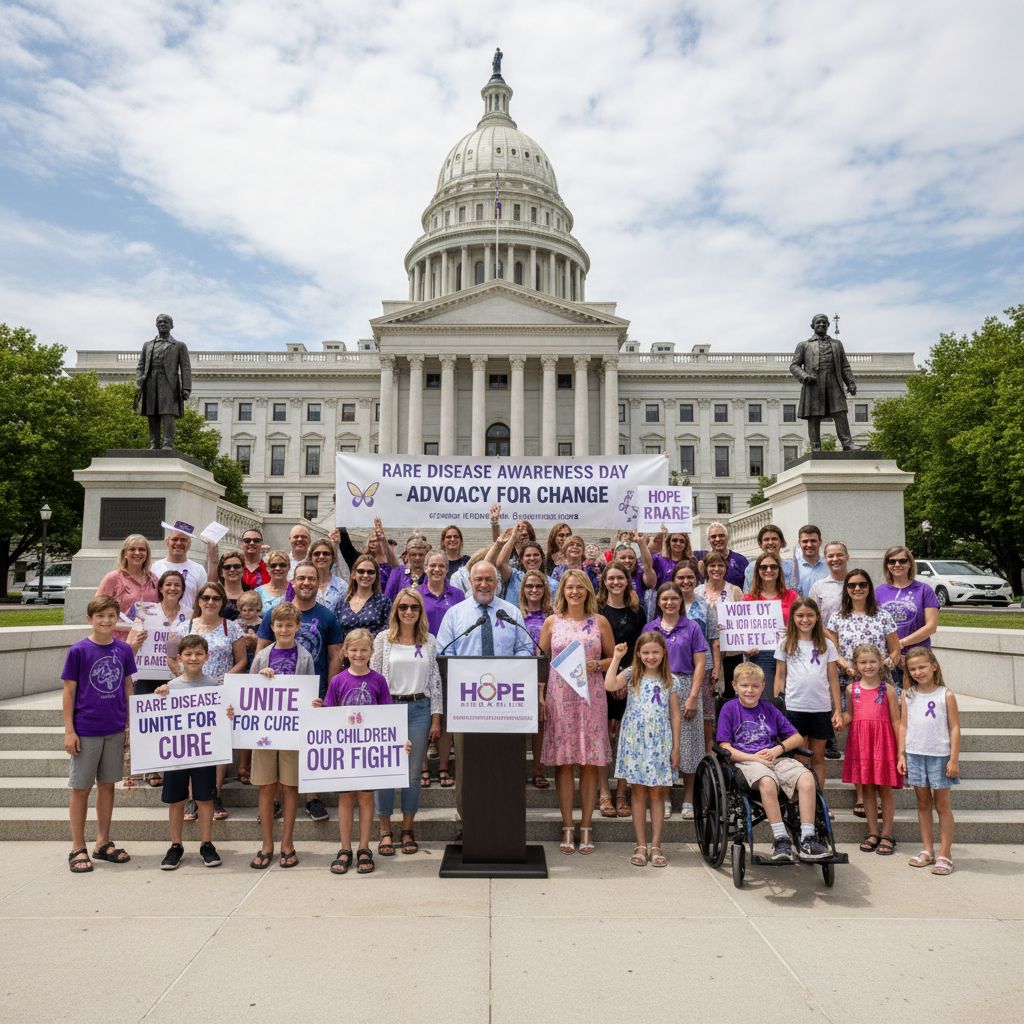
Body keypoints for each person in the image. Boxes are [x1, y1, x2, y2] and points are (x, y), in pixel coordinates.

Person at [436, 560, 535, 822]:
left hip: (506, 703)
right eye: (478, 579)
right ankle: (468, 821)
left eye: (489, 579)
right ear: (470, 582)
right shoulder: (456, 614)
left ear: (497, 583)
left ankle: (506, 820)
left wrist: (509, 671)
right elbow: (444, 652)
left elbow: (525, 648)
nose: (483, 584)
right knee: (469, 768)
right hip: (467, 704)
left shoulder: (510, 612)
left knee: (504, 764)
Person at [716, 662, 831, 863]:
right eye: (744, 685)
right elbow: (725, 748)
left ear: (762, 686)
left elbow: (796, 738)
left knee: (806, 777)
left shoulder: (770, 709)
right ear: (734, 686)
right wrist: (753, 758)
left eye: (755, 686)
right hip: (746, 761)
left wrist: (778, 749)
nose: (749, 690)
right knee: (767, 781)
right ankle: (780, 838)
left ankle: (807, 837)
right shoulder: (729, 709)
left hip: (776, 758)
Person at [256, 561, 344, 822]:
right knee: (276, 745)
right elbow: (261, 651)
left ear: (319, 583)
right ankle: (273, 802)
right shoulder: (275, 613)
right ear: (293, 582)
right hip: (273, 703)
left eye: (311, 579)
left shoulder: (327, 616)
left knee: (307, 748)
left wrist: (329, 694)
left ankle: (313, 798)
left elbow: (335, 657)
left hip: (310, 693)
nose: (306, 582)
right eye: (301, 578)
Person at [316, 629, 408, 875]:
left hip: (368, 753)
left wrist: (400, 741)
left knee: (367, 799)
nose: (358, 654)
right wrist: (317, 709)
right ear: (345, 652)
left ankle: (365, 847)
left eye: (363, 650)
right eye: (353, 650)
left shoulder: (378, 681)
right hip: (345, 752)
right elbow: (328, 714)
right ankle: (345, 848)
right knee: (346, 799)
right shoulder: (337, 680)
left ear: (371, 652)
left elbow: (388, 717)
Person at [539, 570, 615, 856]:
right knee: (563, 763)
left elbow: (612, 657)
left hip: (591, 696)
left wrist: (599, 664)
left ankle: (586, 826)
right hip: (560, 697)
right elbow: (540, 660)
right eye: (570, 587)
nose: (575, 592)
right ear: (563, 591)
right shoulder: (551, 622)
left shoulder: (600, 622)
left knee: (589, 762)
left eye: (580, 587)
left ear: (588, 591)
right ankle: (567, 825)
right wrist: (539, 694)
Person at [62, 594, 137, 874]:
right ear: (90, 619)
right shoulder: (79, 651)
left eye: (111, 616)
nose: (106, 621)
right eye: (100, 616)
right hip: (87, 729)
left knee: (108, 785)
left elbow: (127, 685)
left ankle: (102, 841)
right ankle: (78, 845)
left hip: (114, 728)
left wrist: (131, 724)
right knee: (81, 788)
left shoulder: (123, 650)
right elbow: (68, 692)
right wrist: (70, 731)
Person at [371, 589, 443, 857]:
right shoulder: (383, 640)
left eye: (414, 607)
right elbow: (375, 679)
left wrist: (436, 717)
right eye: (403, 607)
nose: (408, 612)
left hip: (419, 708)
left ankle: (408, 828)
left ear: (420, 611)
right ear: (396, 611)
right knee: (386, 771)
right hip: (389, 707)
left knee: (413, 774)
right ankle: (385, 830)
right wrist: (376, 714)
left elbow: (435, 680)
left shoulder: (429, 641)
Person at [244, 601, 315, 869]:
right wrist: (262, 678)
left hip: (292, 732)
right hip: (264, 732)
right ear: (272, 627)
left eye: (289, 625)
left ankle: (287, 842)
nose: (284, 629)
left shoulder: (305, 656)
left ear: (298, 627)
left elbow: (308, 692)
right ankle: (266, 844)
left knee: (290, 787)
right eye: (279, 625)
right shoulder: (263, 656)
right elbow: (249, 692)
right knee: (266, 786)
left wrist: (314, 704)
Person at [170, 581, 247, 821]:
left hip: (220, 692)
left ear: (223, 601)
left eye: (216, 598)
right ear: (199, 600)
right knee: (194, 743)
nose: (210, 602)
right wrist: (184, 680)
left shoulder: (232, 628)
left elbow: (242, 661)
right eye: (206, 598)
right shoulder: (183, 627)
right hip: (189, 694)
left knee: (218, 744)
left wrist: (221, 681)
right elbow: (171, 658)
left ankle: (214, 793)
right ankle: (193, 797)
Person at [605, 634, 681, 867]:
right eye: (646, 652)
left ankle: (656, 845)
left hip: (659, 741)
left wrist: (676, 747)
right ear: (638, 653)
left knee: (657, 793)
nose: (650, 657)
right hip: (635, 741)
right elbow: (609, 685)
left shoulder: (671, 680)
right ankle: (640, 844)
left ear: (663, 653)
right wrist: (617, 658)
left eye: (655, 652)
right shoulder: (632, 675)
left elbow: (675, 715)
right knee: (637, 792)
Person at [154, 635, 222, 869]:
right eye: (189, 654)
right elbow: (157, 719)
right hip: (176, 753)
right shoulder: (170, 688)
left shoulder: (214, 686)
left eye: (199, 654)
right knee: (176, 800)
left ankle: (206, 844)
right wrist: (159, 698)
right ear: (180, 657)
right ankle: (175, 845)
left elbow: (221, 718)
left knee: (205, 798)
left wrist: (228, 714)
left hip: (204, 752)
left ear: (207, 657)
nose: (194, 658)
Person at [641, 582, 708, 818]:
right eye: (665, 599)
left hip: (686, 685)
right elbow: (642, 661)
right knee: (662, 742)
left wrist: (692, 696)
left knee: (688, 743)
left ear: (681, 601)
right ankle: (665, 796)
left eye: (674, 599)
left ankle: (688, 798)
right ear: (658, 602)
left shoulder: (692, 628)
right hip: (658, 686)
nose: (669, 603)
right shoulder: (651, 628)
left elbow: (701, 664)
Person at [125, 568, 191, 787]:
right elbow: (129, 646)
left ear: (182, 590)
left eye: (177, 585)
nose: (173, 588)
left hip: (175, 675)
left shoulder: (190, 614)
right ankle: (151, 768)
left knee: (173, 723)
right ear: (161, 588)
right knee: (149, 722)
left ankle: (171, 765)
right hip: (146, 673)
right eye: (168, 584)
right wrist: (136, 642)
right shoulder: (145, 611)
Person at [898, 647, 961, 876]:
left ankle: (945, 853)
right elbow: (903, 725)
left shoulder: (946, 695)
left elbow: (954, 728)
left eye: (922, 667)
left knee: (942, 805)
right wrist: (901, 754)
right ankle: (927, 849)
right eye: (912, 668)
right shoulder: (908, 694)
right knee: (922, 803)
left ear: (934, 666)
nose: (918, 672)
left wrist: (953, 758)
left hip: (940, 755)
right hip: (915, 754)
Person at [773, 597, 843, 790]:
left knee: (818, 756)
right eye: (800, 615)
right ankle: (800, 801)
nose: (805, 620)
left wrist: (837, 709)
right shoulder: (785, 644)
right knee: (800, 757)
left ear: (817, 617)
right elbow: (780, 675)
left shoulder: (827, 645)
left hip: (820, 707)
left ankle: (820, 801)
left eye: (810, 615)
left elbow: (833, 678)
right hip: (795, 707)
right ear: (793, 618)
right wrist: (778, 705)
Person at [842, 643, 903, 856]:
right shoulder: (852, 689)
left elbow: (896, 721)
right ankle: (873, 831)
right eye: (863, 662)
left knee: (884, 789)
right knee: (867, 788)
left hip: (883, 743)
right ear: (856, 666)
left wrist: (900, 750)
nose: (868, 666)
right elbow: (850, 715)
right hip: (860, 743)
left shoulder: (889, 690)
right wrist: (841, 719)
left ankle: (887, 833)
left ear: (880, 662)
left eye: (872, 662)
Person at [595, 560, 646, 817]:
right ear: (604, 581)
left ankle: (622, 792)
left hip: (630, 680)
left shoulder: (637, 610)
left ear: (627, 580)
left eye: (620, 578)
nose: (615, 582)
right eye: (610, 578)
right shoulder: (597, 609)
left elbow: (641, 648)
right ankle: (604, 793)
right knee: (604, 739)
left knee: (625, 740)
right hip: (601, 681)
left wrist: (625, 680)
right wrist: (611, 679)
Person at [790, 312, 858, 451]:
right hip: (814, 383)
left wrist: (850, 382)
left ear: (828, 325)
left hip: (834, 382)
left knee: (840, 412)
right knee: (814, 415)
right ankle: (815, 446)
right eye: (818, 322)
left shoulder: (837, 344)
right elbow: (794, 365)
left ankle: (847, 443)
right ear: (812, 326)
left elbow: (845, 365)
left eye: (824, 322)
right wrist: (804, 376)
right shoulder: (804, 345)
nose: (821, 324)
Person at [673, 558, 720, 753]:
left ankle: (706, 753)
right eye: (681, 577)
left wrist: (717, 667)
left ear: (696, 579)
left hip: (704, 666)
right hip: (675, 667)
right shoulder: (668, 602)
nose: (686, 581)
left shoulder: (705, 606)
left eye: (690, 577)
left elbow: (714, 638)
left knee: (705, 713)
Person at [875, 546, 939, 674]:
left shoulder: (924, 590)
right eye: (892, 561)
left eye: (902, 561)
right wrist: (894, 651)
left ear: (910, 563)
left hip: (918, 658)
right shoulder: (878, 592)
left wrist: (900, 644)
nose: (897, 564)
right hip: (888, 658)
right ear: (886, 565)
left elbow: (931, 626)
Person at [741, 552, 800, 692]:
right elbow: (742, 631)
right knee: (766, 698)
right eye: (764, 567)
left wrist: (793, 631)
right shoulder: (747, 599)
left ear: (779, 570)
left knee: (788, 698)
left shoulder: (792, 596)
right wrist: (744, 646)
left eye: (773, 567)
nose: (769, 570)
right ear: (757, 571)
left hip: (789, 653)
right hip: (761, 655)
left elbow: (804, 622)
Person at [518, 567, 553, 789]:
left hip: (546, 674)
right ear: (523, 589)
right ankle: (517, 768)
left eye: (538, 586)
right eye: (529, 586)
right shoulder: (514, 614)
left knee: (541, 723)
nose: (534, 590)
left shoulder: (553, 615)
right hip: (520, 673)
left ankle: (538, 770)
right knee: (518, 723)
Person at [135, 312, 191, 450]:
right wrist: (139, 380)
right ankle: (154, 444)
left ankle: (167, 444)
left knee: (167, 413)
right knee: (152, 413)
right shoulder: (147, 345)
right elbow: (140, 366)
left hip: (169, 382)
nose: (162, 324)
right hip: (150, 381)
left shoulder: (179, 345)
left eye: (165, 322)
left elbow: (185, 368)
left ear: (171, 326)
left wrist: (186, 388)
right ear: (156, 325)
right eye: (160, 322)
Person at [696, 551, 744, 704]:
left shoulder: (735, 591)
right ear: (706, 568)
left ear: (726, 568)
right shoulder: (697, 591)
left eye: (720, 565)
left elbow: (744, 620)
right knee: (707, 690)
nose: (716, 569)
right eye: (712, 565)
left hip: (731, 650)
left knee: (730, 691)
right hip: (705, 648)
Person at [96, 534, 159, 640]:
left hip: (148, 640)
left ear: (147, 554)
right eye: (132, 549)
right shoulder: (113, 578)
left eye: (142, 549)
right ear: (125, 553)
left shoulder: (153, 579)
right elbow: (96, 608)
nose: (137, 553)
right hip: (120, 639)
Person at [233, 590, 264, 786]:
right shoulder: (235, 626)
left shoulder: (263, 625)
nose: (247, 613)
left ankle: (252, 766)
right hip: (240, 674)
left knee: (253, 723)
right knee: (242, 722)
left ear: (258, 609)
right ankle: (242, 766)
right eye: (243, 610)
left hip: (258, 675)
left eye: (251, 609)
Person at [335, 554, 392, 649]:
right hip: (347, 658)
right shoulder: (342, 603)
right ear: (353, 574)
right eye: (361, 571)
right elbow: (336, 635)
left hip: (374, 657)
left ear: (376, 575)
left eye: (370, 572)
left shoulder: (383, 602)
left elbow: (388, 633)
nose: (365, 575)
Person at [152, 524, 212, 609]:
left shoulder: (199, 570)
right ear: (167, 542)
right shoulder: (156, 567)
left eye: (183, 540)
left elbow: (204, 599)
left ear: (189, 544)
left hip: (188, 620)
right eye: (175, 539)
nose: (179, 543)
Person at [495, 526, 556, 606]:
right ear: (521, 560)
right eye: (528, 555)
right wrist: (513, 538)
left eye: (536, 555)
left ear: (542, 558)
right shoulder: (514, 576)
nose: (532, 558)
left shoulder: (553, 584)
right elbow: (500, 564)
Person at [419, 550, 465, 635]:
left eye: (441, 566)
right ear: (425, 568)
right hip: (423, 645)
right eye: (432, 565)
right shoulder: (416, 594)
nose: (437, 569)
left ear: (447, 569)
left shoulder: (458, 595)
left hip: (449, 646)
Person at [742, 524, 798, 591]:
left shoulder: (791, 566)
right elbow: (747, 593)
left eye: (774, 539)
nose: (770, 542)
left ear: (781, 542)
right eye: (766, 539)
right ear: (760, 544)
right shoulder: (751, 568)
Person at [808, 541, 849, 633]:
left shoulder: (857, 585)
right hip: (826, 640)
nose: (835, 559)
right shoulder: (818, 587)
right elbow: (812, 616)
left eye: (840, 555)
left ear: (847, 557)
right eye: (830, 556)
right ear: (825, 560)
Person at [609, 536, 658, 614]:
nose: (627, 560)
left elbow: (648, 567)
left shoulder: (640, 575)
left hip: (637, 617)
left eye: (631, 558)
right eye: (623, 558)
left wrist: (641, 544)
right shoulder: (608, 576)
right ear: (615, 559)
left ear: (636, 560)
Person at [694, 522, 748, 589]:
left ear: (727, 537)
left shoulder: (740, 560)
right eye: (713, 536)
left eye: (721, 535)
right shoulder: (704, 562)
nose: (718, 539)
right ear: (709, 540)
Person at [384, 533, 431, 600]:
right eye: (413, 554)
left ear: (426, 555)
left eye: (421, 554)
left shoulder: (431, 574)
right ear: (408, 556)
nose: (417, 558)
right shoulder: (398, 572)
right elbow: (388, 598)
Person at [308, 538, 348, 616]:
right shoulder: (305, 584)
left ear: (333, 558)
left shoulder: (342, 586)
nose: (321, 556)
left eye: (326, 553)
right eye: (317, 554)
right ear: (310, 558)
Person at [791, 524, 828, 598]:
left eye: (813, 541)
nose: (809, 545)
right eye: (805, 541)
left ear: (820, 542)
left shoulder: (829, 566)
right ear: (799, 543)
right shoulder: (793, 567)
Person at [213, 548, 250, 619]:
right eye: (227, 567)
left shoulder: (252, 593)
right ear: (221, 573)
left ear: (243, 570)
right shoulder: (214, 595)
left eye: (236, 566)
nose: (232, 569)